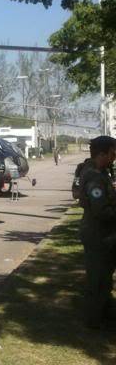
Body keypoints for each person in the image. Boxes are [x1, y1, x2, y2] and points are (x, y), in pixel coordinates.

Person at [78, 135, 116, 329]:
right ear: (102, 153)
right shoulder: (93, 176)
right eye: (112, 153)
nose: (114, 157)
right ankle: (93, 320)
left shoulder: (101, 172)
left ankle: (104, 312)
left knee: (105, 276)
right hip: (97, 234)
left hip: (104, 235)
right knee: (97, 278)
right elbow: (100, 210)